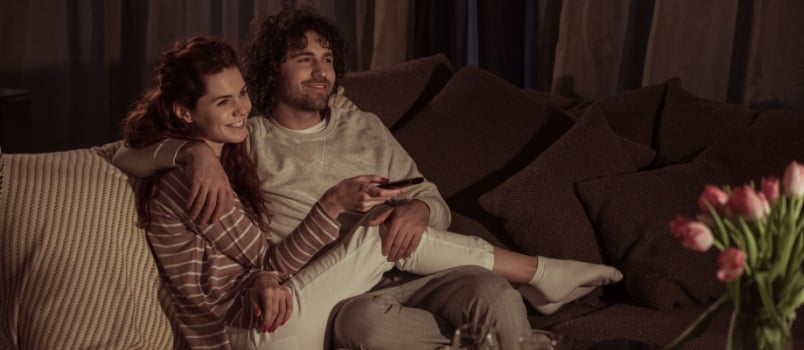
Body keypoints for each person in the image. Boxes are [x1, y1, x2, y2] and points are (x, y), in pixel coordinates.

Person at [114, 8, 622, 349]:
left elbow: (428, 197)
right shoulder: (241, 143)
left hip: (406, 273)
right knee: (369, 281)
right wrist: (191, 154)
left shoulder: (363, 126)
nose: (321, 71)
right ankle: (540, 277)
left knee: (488, 292)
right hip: (311, 306)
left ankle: (524, 310)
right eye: (304, 59)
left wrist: (420, 209)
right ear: (273, 70)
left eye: (329, 60)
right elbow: (125, 154)